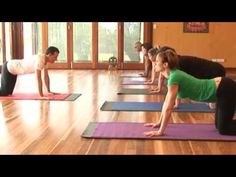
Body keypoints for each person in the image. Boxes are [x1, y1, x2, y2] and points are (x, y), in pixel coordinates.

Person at [144, 50, 236, 136]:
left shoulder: (174, 77)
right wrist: (159, 123)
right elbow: (166, 102)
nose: (154, 64)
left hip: (224, 89)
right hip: (220, 89)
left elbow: (169, 108)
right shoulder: (173, 76)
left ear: (165, 65)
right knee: (218, 125)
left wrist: (160, 132)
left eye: (157, 61)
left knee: (224, 129)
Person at [153, 46, 226, 108]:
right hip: (211, 71)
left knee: (213, 105)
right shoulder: (175, 63)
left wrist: (176, 104)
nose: (155, 63)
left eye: (157, 60)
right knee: (212, 103)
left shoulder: (177, 64)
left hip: (215, 71)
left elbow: (176, 86)